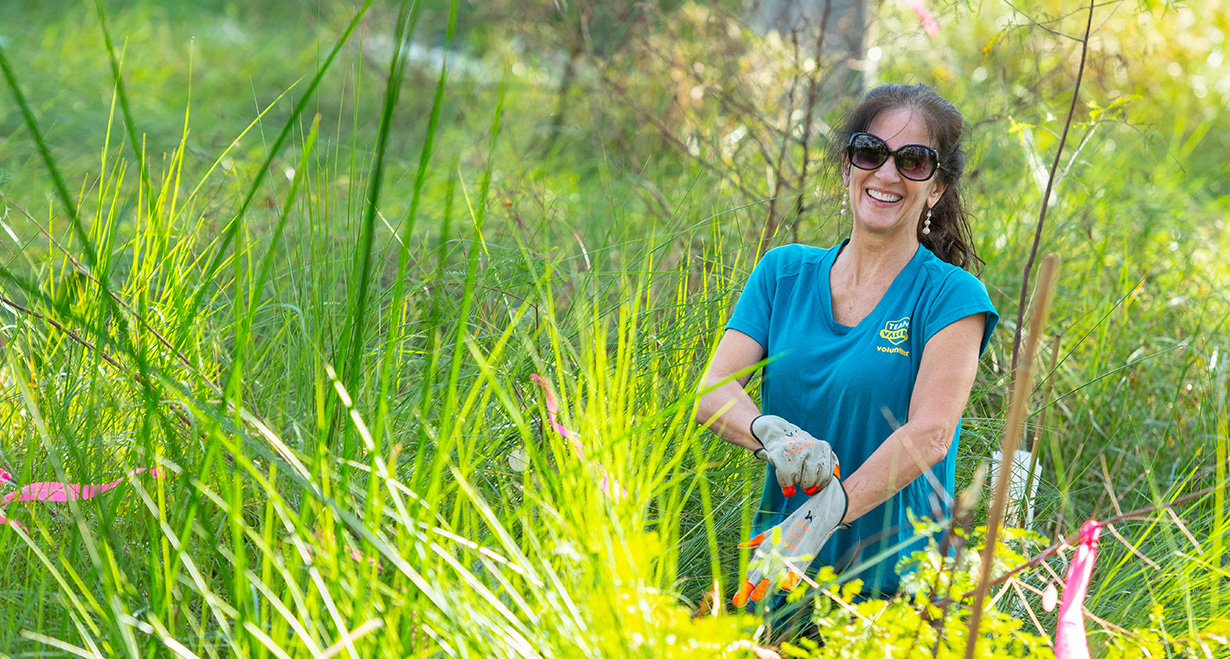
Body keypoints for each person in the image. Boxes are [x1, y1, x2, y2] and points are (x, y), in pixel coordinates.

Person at [695, 83, 999, 607]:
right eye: (870, 151)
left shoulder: (951, 296)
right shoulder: (782, 272)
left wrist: (829, 511)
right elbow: (712, 394)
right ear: (847, 165)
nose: (886, 174)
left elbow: (931, 433)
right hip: (778, 578)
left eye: (914, 161)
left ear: (937, 189)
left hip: (896, 595)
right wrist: (768, 432)